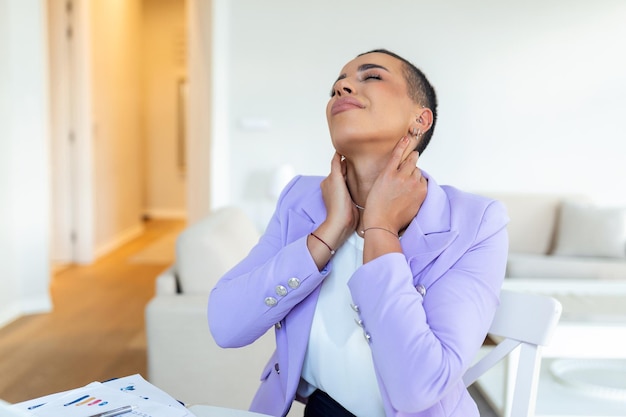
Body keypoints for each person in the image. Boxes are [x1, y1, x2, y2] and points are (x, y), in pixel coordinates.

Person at [208, 49, 509, 417]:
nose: (341, 86)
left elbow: (419, 388)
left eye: (372, 77)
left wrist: (381, 227)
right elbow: (225, 325)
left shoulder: (477, 222)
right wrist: (329, 232)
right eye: (337, 84)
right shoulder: (298, 199)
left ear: (420, 119)